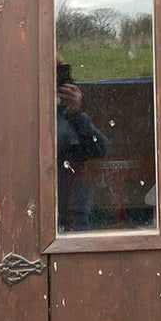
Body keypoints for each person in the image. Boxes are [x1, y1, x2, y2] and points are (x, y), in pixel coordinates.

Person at [57, 56, 110, 231]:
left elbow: (101, 150)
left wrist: (75, 114)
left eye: (61, 70)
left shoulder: (72, 116)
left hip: (73, 214)